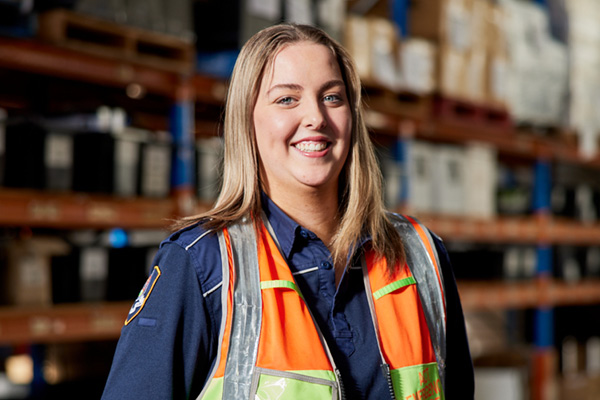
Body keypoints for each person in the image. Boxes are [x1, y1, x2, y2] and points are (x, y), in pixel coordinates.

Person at [101, 23, 474, 399]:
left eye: (332, 97)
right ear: (247, 120)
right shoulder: (201, 267)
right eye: (286, 99)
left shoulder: (420, 255)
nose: (315, 117)